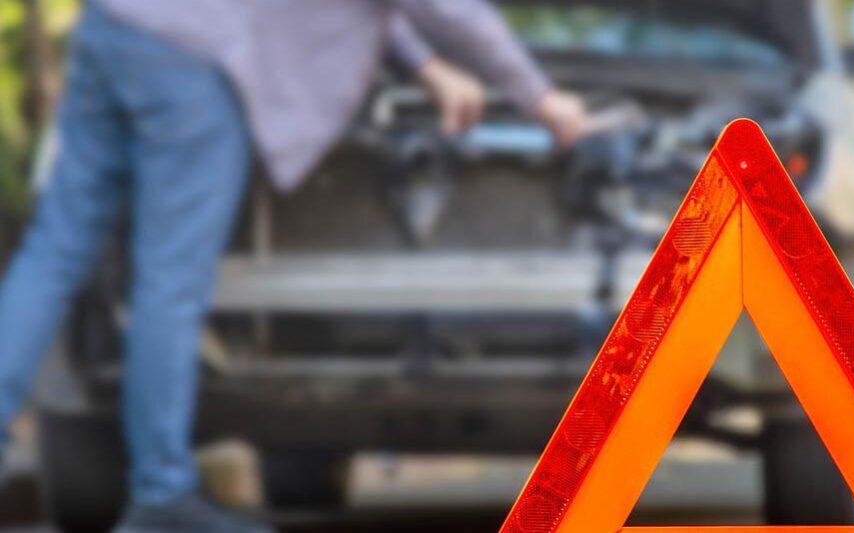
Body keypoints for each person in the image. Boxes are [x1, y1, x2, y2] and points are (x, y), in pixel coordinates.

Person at [0, 1, 587, 532]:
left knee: (55, 249)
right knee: (170, 282)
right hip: (193, 57)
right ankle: (161, 496)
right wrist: (539, 96)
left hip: (117, 22)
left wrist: (426, 66)